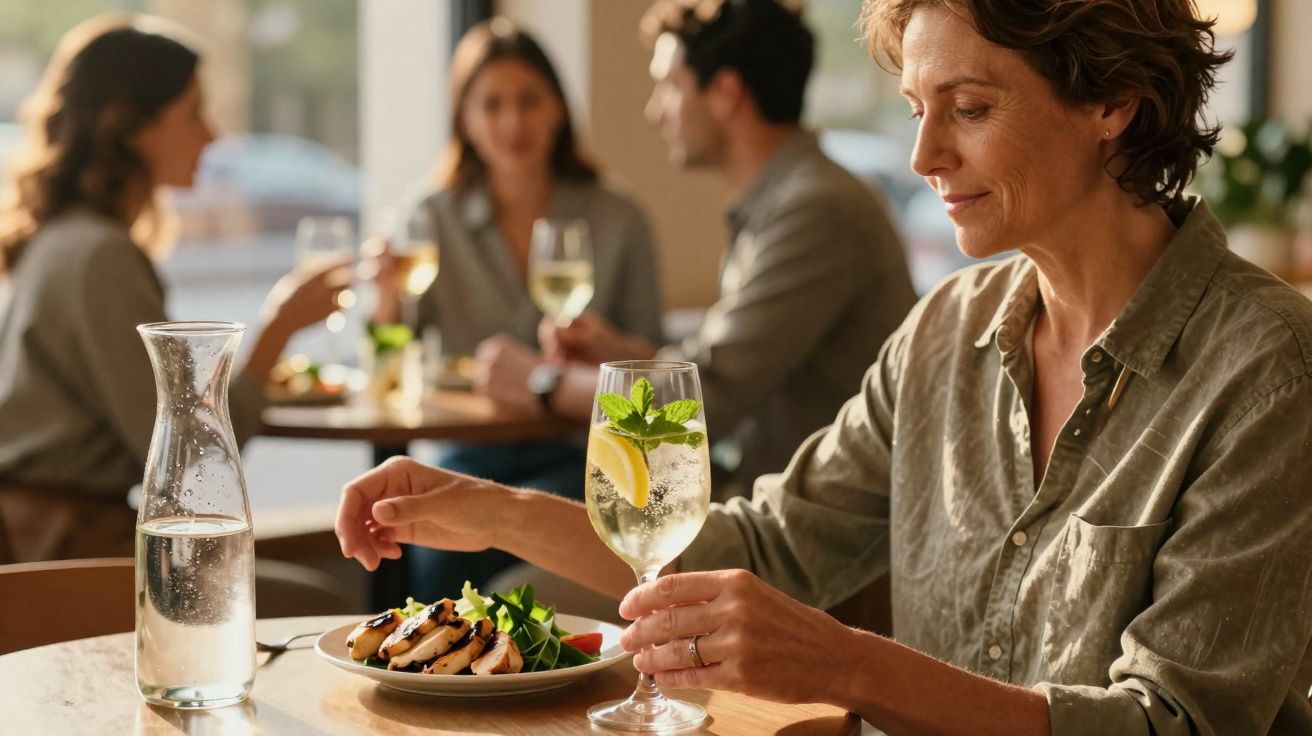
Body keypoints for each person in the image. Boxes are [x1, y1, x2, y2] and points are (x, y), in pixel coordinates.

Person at [338, 0, 1312, 732]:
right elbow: (764, 550)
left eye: (968, 107)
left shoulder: (1265, 367)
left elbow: (1169, 723)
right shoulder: (943, 336)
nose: (924, 153)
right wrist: (486, 509)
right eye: (916, 108)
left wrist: (849, 666)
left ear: (1111, 100)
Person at [481, 0, 917, 499]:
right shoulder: (785, 200)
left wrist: (543, 383)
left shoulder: (816, 210)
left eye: (669, 84)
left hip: (803, 535)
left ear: (726, 93)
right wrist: (622, 355)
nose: (655, 110)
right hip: (756, 503)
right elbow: (725, 371)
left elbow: (706, 402)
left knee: (501, 563)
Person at [0, 15, 346, 562]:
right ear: (134, 126)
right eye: (192, 112)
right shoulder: (101, 257)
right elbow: (185, 461)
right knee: (312, 603)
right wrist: (279, 327)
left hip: (49, 542)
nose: (211, 134)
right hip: (69, 552)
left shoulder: (63, 239)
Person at [366, 19, 664, 601]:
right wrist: (382, 302)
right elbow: (392, 353)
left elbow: (654, 363)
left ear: (558, 108)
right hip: (468, 454)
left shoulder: (619, 217)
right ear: (465, 120)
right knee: (432, 568)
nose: (512, 122)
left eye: (529, 100)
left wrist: (597, 351)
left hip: (582, 453)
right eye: (491, 104)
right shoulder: (431, 217)